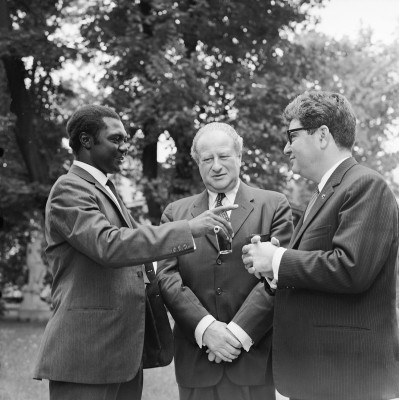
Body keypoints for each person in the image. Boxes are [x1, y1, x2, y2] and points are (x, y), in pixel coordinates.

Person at [33, 105, 237, 400]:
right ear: (87, 140)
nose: (125, 147)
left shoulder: (106, 189)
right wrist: (187, 229)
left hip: (121, 357)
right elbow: (110, 244)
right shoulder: (70, 188)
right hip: (86, 355)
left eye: (126, 139)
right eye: (116, 139)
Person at [242, 90, 399, 400]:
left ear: (323, 135)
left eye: (292, 135)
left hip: (347, 379)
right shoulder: (321, 195)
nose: (287, 147)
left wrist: (278, 259)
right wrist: (275, 272)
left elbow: (350, 269)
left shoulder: (366, 185)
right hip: (317, 376)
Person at [157, 122, 293, 400]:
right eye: (207, 159)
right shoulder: (175, 214)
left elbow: (280, 277)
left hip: (253, 359)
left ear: (240, 157)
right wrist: (206, 329)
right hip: (196, 361)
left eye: (224, 156)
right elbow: (168, 279)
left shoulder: (274, 205)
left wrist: (235, 334)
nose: (216, 166)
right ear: (198, 163)